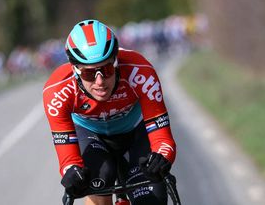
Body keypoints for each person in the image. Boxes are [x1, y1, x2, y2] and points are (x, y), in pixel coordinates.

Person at [43, 19, 177, 205]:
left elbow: (163, 140)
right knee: (99, 180)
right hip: (91, 135)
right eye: (89, 74)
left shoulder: (140, 72)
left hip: (135, 132)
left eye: (106, 69)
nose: (99, 81)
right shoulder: (57, 90)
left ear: (116, 61)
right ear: (75, 70)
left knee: (152, 199)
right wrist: (72, 173)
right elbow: (69, 161)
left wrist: (161, 158)